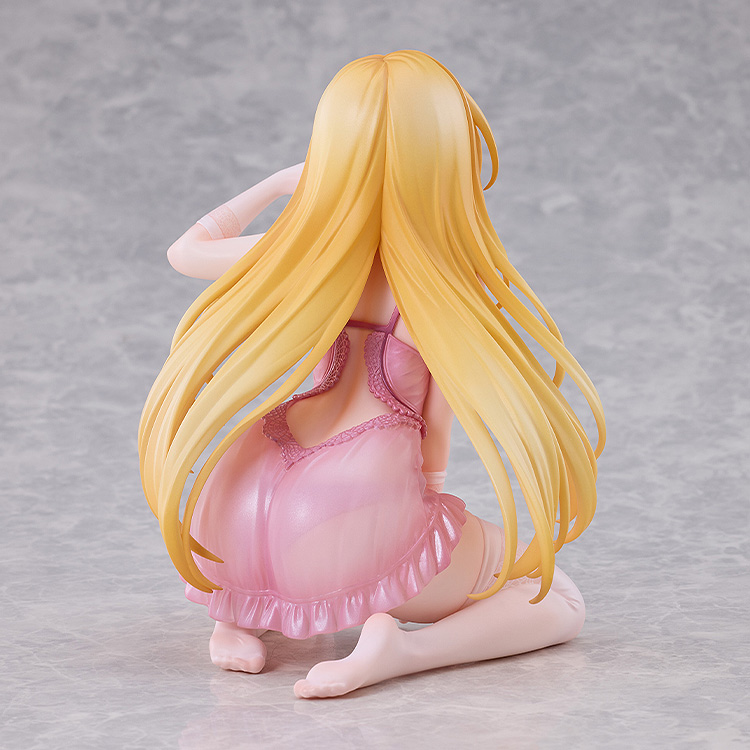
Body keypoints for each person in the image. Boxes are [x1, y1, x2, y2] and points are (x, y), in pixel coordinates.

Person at [138, 50, 606, 699]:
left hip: (243, 498)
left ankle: (236, 618)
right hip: (353, 509)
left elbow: (185, 251)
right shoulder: (443, 282)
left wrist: (281, 185)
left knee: (293, 552)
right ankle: (401, 652)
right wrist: (427, 501)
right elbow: (436, 423)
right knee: (555, 597)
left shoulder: (302, 256)